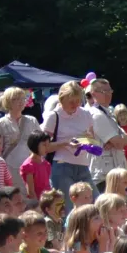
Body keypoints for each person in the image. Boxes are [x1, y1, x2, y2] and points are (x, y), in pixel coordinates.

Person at [42, 81, 96, 212]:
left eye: (78, 100)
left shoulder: (86, 114)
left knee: (94, 203)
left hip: (83, 165)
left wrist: (86, 141)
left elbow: (92, 139)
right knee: (67, 208)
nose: (75, 104)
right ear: (62, 99)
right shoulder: (53, 116)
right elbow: (44, 147)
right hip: (62, 166)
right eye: (71, 101)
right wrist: (66, 142)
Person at [0, 87, 43, 199]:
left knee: (33, 199)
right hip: (10, 170)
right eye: (16, 99)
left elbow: (41, 144)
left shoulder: (32, 120)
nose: (21, 101)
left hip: (31, 169)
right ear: (8, 101)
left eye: (23, 98)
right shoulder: (0, 124)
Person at [86, 79, 127, 193]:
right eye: (104, 91)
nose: (108, 94)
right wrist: (116, 141)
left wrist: (115, 141)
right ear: (93, 94)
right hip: (104, 175)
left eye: (109, 90)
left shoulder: (108, 113)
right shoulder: (97, 115)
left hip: (114, 172)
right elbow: (120, 142)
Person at [19, 131, 52, 202]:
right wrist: (38, 207)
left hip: (47, 202)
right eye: (44, 145)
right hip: (37, 204)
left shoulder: (46, 164)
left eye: (48, 145)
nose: (47, 147)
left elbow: (47, 185)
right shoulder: (28, 166)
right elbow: (31, 191)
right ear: (35, 145)